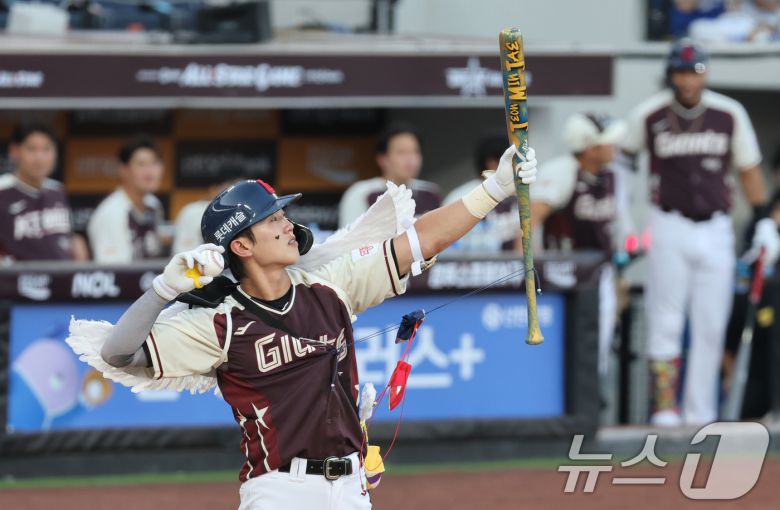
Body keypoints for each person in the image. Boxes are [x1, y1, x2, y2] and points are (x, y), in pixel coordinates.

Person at [95, 145, 537, 509]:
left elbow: (421, 240)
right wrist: (163, 290)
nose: (288, 225)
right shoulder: (219, 322)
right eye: (273, 220)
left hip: (351, 488)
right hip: (278, 491)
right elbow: (117, 354)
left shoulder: (330, 285)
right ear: (242, 245)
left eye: (283, 215)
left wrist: (495, 188)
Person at [621, 40, 772, 426]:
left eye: (695, 72)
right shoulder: (650, 113)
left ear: (706, 73)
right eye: (682, 72)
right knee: (665, 318)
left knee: (710, 324)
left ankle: (700, 412)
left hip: (716, 226)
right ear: (670, 74)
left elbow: (748, 168)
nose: (688, 80)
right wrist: (624, 217)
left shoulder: (728, 113)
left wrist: (763, 219)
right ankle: (664, 407)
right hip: (668, 222)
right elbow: (622, 161)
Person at [531, 113, 627, 378]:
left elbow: (616, 228)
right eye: (607, 142)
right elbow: (528, 222)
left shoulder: (613, 176)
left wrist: (619, 275)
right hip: (561, 274)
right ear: (589, 147)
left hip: (600, 271)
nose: (613, 146)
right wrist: (531, 271)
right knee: (561, 347)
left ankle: (591, 397)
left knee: (599, 346)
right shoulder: (561, 172)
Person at [0, 122, 88, 262]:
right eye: (31, 149)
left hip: (62, 274)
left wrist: (75, 241)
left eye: (46, 149)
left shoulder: (57, 190)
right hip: (17, 275)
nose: (39, 158)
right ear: (14, 151)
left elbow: (60, 238)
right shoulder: (3, 190)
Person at [338, 123, 441, 228]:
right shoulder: (360, 193)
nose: (410, 159)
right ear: (382, 159)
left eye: (415, 152)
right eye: (401, 152)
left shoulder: (431, 192)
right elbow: (350, 236)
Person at [87, 135, 165, 263]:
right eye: (141, 164)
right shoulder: (110, 213)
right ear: (124, 170)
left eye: (155, 163)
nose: (150, 171)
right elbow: (113, 270)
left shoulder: (154, 204)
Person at [443, 135, 518, 252]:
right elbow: (446, 242)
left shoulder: (523, 194)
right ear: (489, 162)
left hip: (515, 262)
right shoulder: (461, 196)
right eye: (509, 160)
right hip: (470, 261)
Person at [171, 165, 248, 254]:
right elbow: (184, 254)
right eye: (232, 191)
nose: (237, 197)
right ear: (214, 189)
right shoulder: (192, 212)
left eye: (242, 192)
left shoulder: (247, 215)